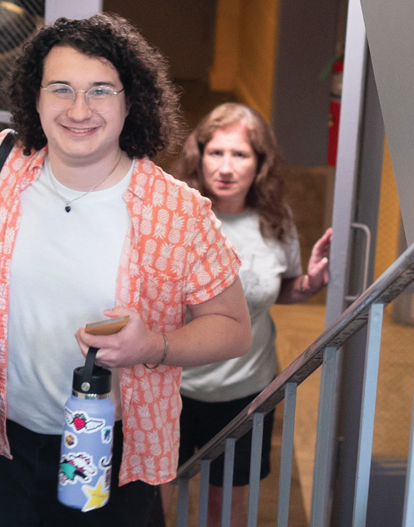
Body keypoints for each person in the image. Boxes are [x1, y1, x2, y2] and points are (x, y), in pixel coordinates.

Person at [0, 14, 252, 527]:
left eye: (101, 91)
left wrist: (153, 347)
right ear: (36, 98)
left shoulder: (179, 213)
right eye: (61, 89)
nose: (79, 110)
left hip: (107, 450)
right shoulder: (5, 162)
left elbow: (235, 329)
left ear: (131, 101)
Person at [166, 102, 332, 525]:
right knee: (157, 503)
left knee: (227, 509)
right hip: (170, 388)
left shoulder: (275, 220)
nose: (225, 166)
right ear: (198, 156)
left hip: (246, 393)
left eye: (239, 155)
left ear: (259, 164)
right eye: (215, 152)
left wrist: (309, 284)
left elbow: (278, 292)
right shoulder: (173, 218)